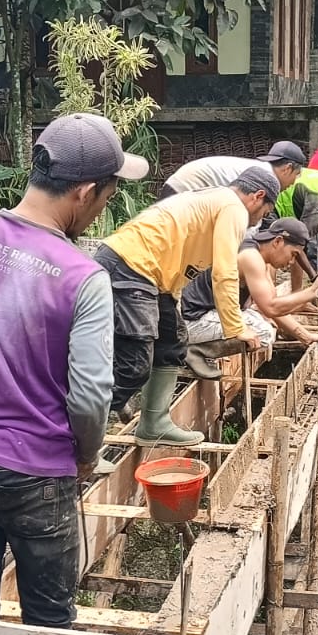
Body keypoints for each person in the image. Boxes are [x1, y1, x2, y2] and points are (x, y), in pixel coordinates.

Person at [0, 113, 143, 630]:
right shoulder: (83, 276)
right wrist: (87, 455)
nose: (102, 210)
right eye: (107, 197)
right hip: (38, 472)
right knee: (50, 619)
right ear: (86, 192)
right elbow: (91, 394)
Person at [95, 168, 276, 445]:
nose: (258, 221)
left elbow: (182, 259)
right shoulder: (233, 208)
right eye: (264, 213)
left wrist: (173, 303)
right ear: (258, 196)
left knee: (173, 342)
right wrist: (236, 327)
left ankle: (154, 423)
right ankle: (81, 443)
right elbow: (224, 271)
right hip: (131, 266)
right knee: (135, 363)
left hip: (151, 275)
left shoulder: (215, 202)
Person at [182, 217, 318, 353]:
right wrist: (312, 291)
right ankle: (192, 352)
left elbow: (273, 307)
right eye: (293, 254)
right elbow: (271, 307)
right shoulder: (251, 257)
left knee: (261, 321)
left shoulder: (258, 254)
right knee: (264, 332)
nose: (291, 262)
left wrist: (306, 336)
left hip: (204, 314)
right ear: (277, 241)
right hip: (190, 321)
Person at [157, 141, 305, 200]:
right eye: (297, 175)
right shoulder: (267, 179)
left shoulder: (261, 170)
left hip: (183, 185)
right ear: (287, 168)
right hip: (185, 189)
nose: (294, 182)